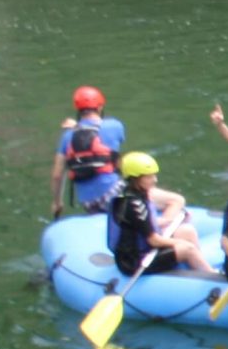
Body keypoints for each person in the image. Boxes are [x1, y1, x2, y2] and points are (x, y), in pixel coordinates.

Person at [106, 152, 213, 275]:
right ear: (135, 179)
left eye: (154, 176)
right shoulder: (133, 205)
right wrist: (181, 243)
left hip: (146, 248)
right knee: (188, 249)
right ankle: (213, 277)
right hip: (135, 261)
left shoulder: (137, 195)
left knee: (186, 231)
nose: (154, 180)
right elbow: (154, 241)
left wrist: (168, 222)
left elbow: (142, 224)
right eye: (149, 177)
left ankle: (195, 271)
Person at [52, 85, 126, 217]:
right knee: (173, 200)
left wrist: (57, 203)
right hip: (114, 194)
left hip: (88, 203)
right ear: (99, 107)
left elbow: (57, 175)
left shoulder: (67, 136)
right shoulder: (115, 125)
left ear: (78, 110)